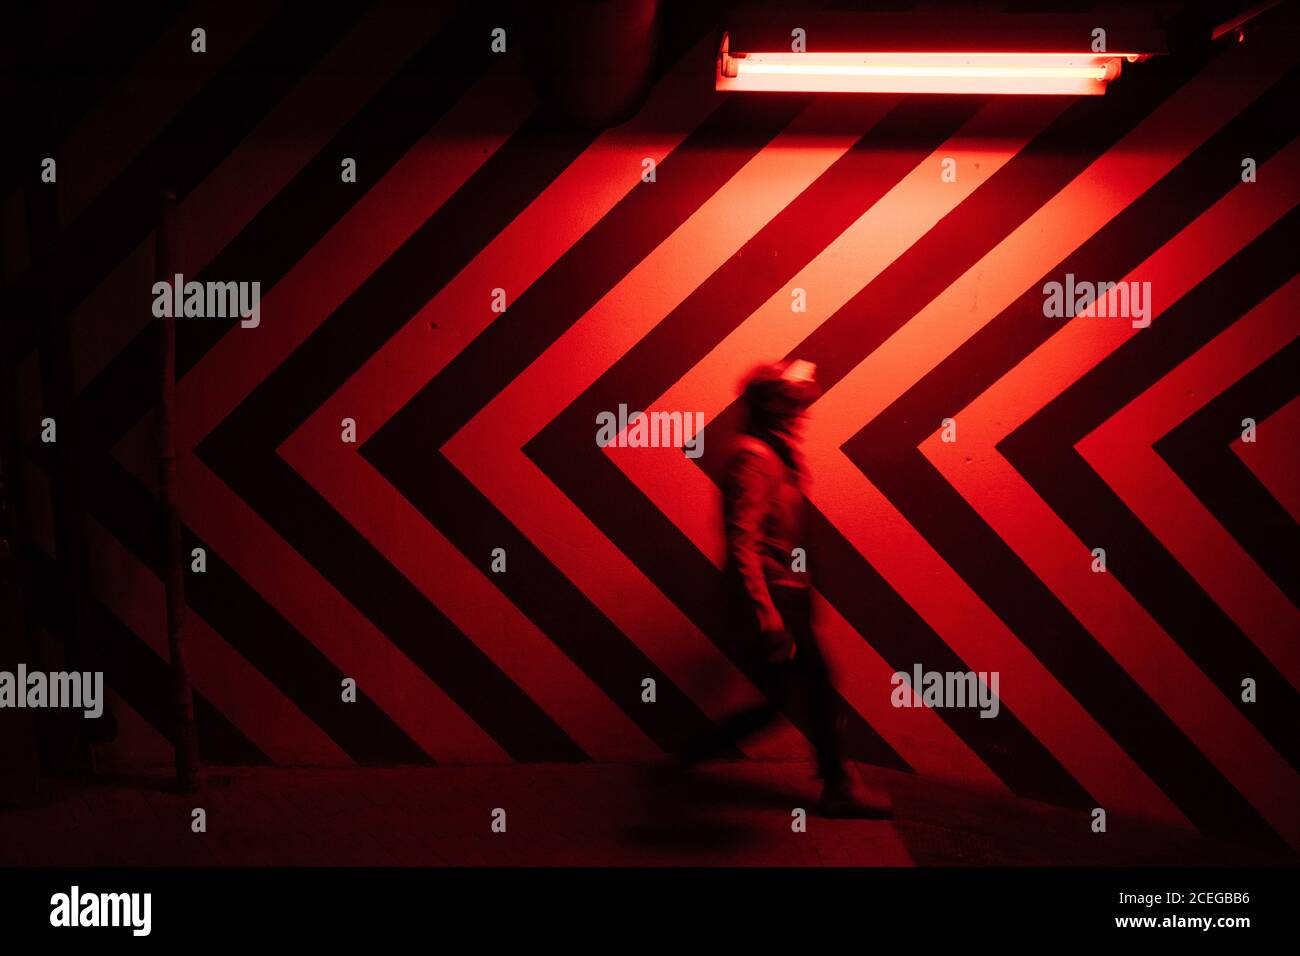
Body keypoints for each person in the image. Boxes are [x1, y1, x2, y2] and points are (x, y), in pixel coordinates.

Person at [685, 359, 890, 818]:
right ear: (773, 407)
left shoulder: (775, 454)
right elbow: (743, 542)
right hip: (777, 598)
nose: (803, 413)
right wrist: (767, 615)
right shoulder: (754, 458)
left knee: (778, 702)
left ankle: (692, 756)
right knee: (818, 689)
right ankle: (840, 787)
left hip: (789, 595)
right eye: (794, 404)